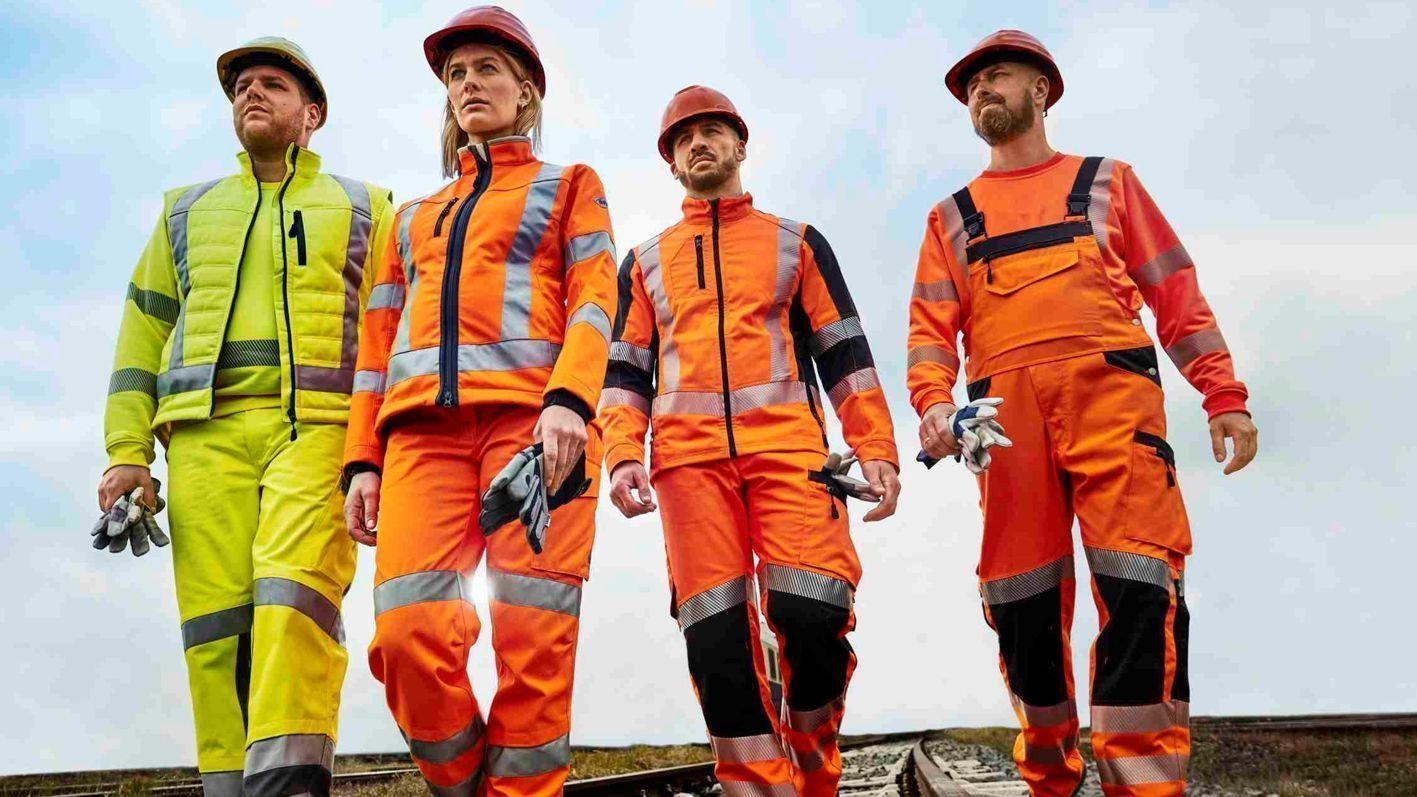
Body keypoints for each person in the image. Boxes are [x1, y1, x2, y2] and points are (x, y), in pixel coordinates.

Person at [907, 30, 1259, 797]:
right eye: (971, 86)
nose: (980, 92)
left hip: (1114, 410)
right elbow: (929, 330)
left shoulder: (1108, 183)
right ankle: (1048, 773)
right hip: (1002, 429)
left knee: (1139, 588)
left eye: (996, 77)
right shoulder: (952, 217)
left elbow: (1173, 292)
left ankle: (1143, 784)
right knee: (1020, 604)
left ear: (1041, 91)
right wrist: (934, 403)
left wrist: (1221, 392)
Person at [98, 37, 393, 797]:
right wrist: (128, 451)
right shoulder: (184, 212)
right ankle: (228, 787)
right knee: (215, 628)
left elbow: (395, 327)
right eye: (240, 88)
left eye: (270, 84)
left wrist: (379, 447)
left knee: (293, 602)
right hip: (202, 439)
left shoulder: (367, 206)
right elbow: (141, 334)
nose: (250, 95)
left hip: (319, 430)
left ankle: (288, 783)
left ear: (311, 113)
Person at [340, 7, 616, 796]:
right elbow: (375, 351)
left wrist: (569, 399)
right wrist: (362, 458)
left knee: (532, 640)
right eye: (456, 75)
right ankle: (463, 787)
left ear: (526, 91)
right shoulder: (410, 218)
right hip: (420, 439)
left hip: (538, 431)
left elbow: (599, 299)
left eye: (486, 70)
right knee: (405, 631)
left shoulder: (570, 186)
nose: (468, 85)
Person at [601, 85, 900, 797]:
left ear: (740, 145)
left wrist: (877, 448)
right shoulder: (644, 262)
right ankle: (757, 788)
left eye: (711, 131)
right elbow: (623, 374)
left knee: (813, 614)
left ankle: (813, 755)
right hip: (686, 468)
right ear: (671, 163)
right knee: (716, 645)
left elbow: (845, 355)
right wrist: (618, 454)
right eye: (682, 138)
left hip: (795, 459)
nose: (697, 143)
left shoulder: (795, 242)